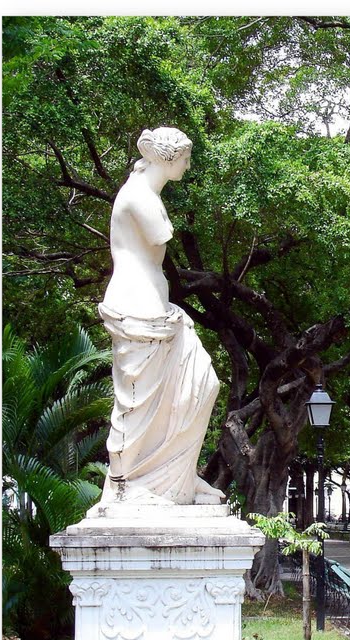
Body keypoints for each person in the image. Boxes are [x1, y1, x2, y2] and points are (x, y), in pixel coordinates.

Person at [98, 127, 224, 506]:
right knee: (138, 404)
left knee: (203, 382)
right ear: (168, 159)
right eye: (184, 157)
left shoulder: (146, 194)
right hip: (138, 307)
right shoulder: (140, 197)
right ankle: (128, 485)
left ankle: (179, 476)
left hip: (158, 309)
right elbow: (160, 234)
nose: (188, 165)